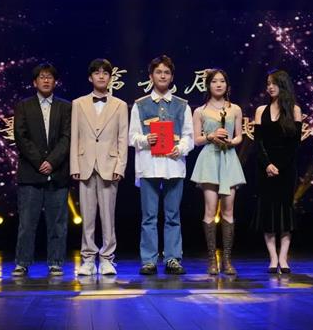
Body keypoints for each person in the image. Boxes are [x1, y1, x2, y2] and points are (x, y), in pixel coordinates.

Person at [129, 55, 194, 275]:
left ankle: (172, 258)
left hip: (174, 166)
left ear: (172, 77)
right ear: (151, 76)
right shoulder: (140, 105)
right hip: (149, 166)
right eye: (158, 72)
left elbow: (189, 136)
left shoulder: (182, 105)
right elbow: (132, 136)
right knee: (149, 216)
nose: (163, 76)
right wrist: (145, 139)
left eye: (166, 72)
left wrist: (181, 148)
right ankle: (148, 260)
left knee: (172, 216)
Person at [12, 63, 72, 277]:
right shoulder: (23, 106)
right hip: (31, 173)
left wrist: (52, 162)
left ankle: (55, 262)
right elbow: (21, 137)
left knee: (57, 223)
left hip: (57, 173)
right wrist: (40, 162)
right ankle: (22, 262)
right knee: (27, 223)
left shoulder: (65, 106)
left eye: (49, 77)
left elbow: (67, 137)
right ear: (34, 82)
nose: (46, 80)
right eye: (42, 77)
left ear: (55, 82)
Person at [70, 58, 128, 276]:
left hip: (109, 165)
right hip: (85, 164)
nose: (101, 76)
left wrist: (120, 166)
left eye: (105, 73)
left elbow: (122, 138)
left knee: (108, 216)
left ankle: (107, 258)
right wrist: (74, 164)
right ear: (90, 77)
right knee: (87, 216)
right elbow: (75, 136)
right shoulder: (78, 103)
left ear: (110, 78)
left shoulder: (120, 105)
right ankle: (87, 259)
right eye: (97, 73)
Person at [190, 69, 246, 275]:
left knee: (228, 211)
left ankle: (227, 260)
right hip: (210, 159)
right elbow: (196, 140)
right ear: (208, 85)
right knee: (210, 210)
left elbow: (240, 136)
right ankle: (212, 260)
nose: (219, 84)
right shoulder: (200, 111)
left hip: (228, 158)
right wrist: (211, 136)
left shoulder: (235, 109)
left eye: (222, 81)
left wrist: (232, 141)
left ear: (227, 85)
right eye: (214, 81)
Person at [253, 69, 302, 274]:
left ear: (283, 86)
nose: (270, 87)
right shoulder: (260, 110)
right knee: (268, 213)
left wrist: (279, 166)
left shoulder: (295, 110)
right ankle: (273, 258)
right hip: (265, 169)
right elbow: (258, 143)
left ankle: (283, 257)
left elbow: (294, 144)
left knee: (285, 213)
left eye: (274, 83)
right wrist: (267, 165)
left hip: (287, 169)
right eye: (268, 83)